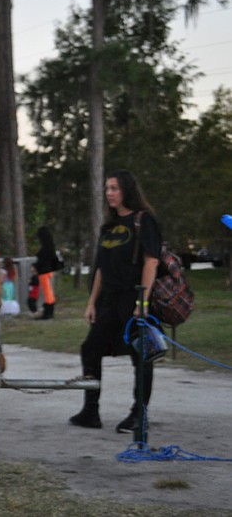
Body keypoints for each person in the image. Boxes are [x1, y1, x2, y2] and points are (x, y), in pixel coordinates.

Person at [70, 170, 161, 432]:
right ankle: (90, 411)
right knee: (91, 348)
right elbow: (101, 267)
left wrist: (142, 302)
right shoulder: (108, 227)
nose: (109, 193)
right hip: (108, 299)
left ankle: (138, 415)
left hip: (134, 298)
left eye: (114, 188)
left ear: (127, 190)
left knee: (141, 355)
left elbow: (151, 261)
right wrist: (91, 303)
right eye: (107, 188)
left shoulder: (145, 221)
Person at [33, 226, 60, 319]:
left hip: (44, 271)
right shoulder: (50, 246)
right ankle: (49, 312)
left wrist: (36, 266)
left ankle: (48, 313)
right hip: (47, 271)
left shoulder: (45, 248)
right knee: (48, 292)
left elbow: (42, 259)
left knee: (47, 293)